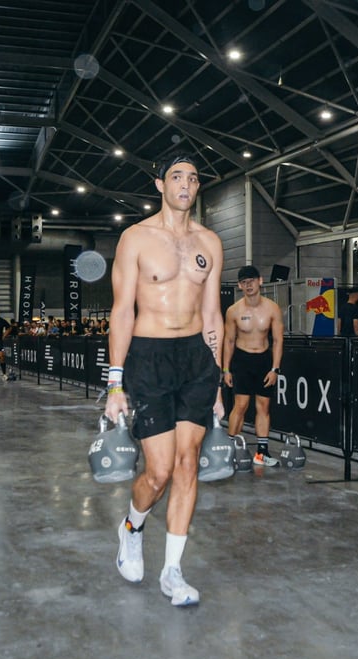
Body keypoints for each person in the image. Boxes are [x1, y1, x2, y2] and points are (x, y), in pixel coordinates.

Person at [105, 153, 224, 608]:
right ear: (160, 184)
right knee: (157, 472)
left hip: (196, 358)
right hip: (149, 357)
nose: (186, 184)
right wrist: (115, 383)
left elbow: (212, 313)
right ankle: (132, 527)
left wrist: (217, 377)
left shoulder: (209, 242)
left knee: (188, 464)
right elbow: (122, 311)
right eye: (177, 176)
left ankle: (172, 571)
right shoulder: (135, 238)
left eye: (193, 178)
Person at [222, 264, 284, 467]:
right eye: (244, 282)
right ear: (240, 286)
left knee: (263, 406)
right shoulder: (233, 311)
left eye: (251, 281)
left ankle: (261, 453)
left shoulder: (272, 308)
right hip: (242, 360)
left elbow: (277, 341)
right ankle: (229, 451)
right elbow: (229, 341)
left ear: (260, 281)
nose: (248, 285)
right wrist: (226, 369)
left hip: (264, 361)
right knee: (240, 405)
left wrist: (275, 369)